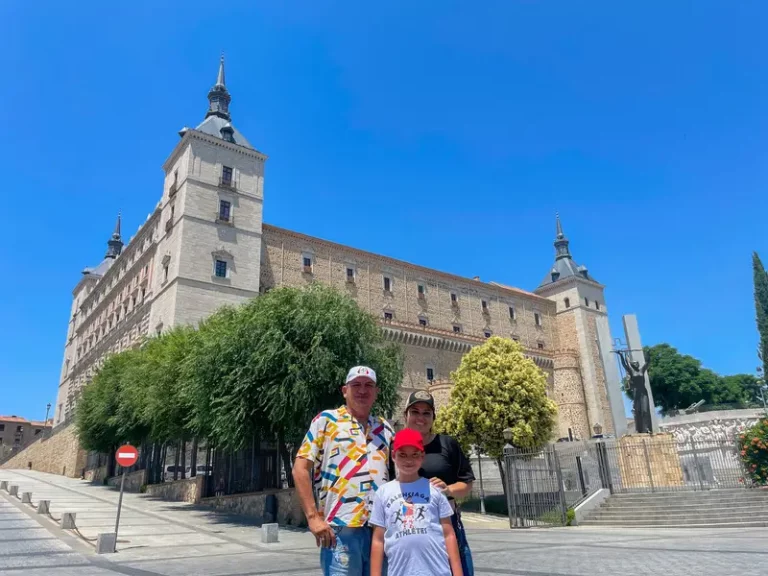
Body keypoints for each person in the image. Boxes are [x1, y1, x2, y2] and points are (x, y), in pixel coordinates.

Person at [293, 366, 395, 576]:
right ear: (344, 390)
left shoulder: (384, 428)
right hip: (339, 530)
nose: (362, 390)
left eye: (369, 386)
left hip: (381, 530)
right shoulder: (326, 421)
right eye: (356, 385)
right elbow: (300, 468)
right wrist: (312, 517)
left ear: (376, 392)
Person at [370, 428, 463, 576]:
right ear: (393, 456)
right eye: (402, 455)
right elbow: (378, 539)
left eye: (415, 454)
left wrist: (458, 573)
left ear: (422, 456)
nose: (409, 460)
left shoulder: (435, 490)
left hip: (437, 571)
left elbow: (449, 534)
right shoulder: (383, 493)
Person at [403, 390, 475, 576]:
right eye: (415, 412)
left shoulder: (447, 444)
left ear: (433, 417)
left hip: (445, 525)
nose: (421, 417)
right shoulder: (396, 446)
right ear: (406, 415)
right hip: (407, 526)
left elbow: (467, 484)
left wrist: (447, 489)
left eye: (426, 413)